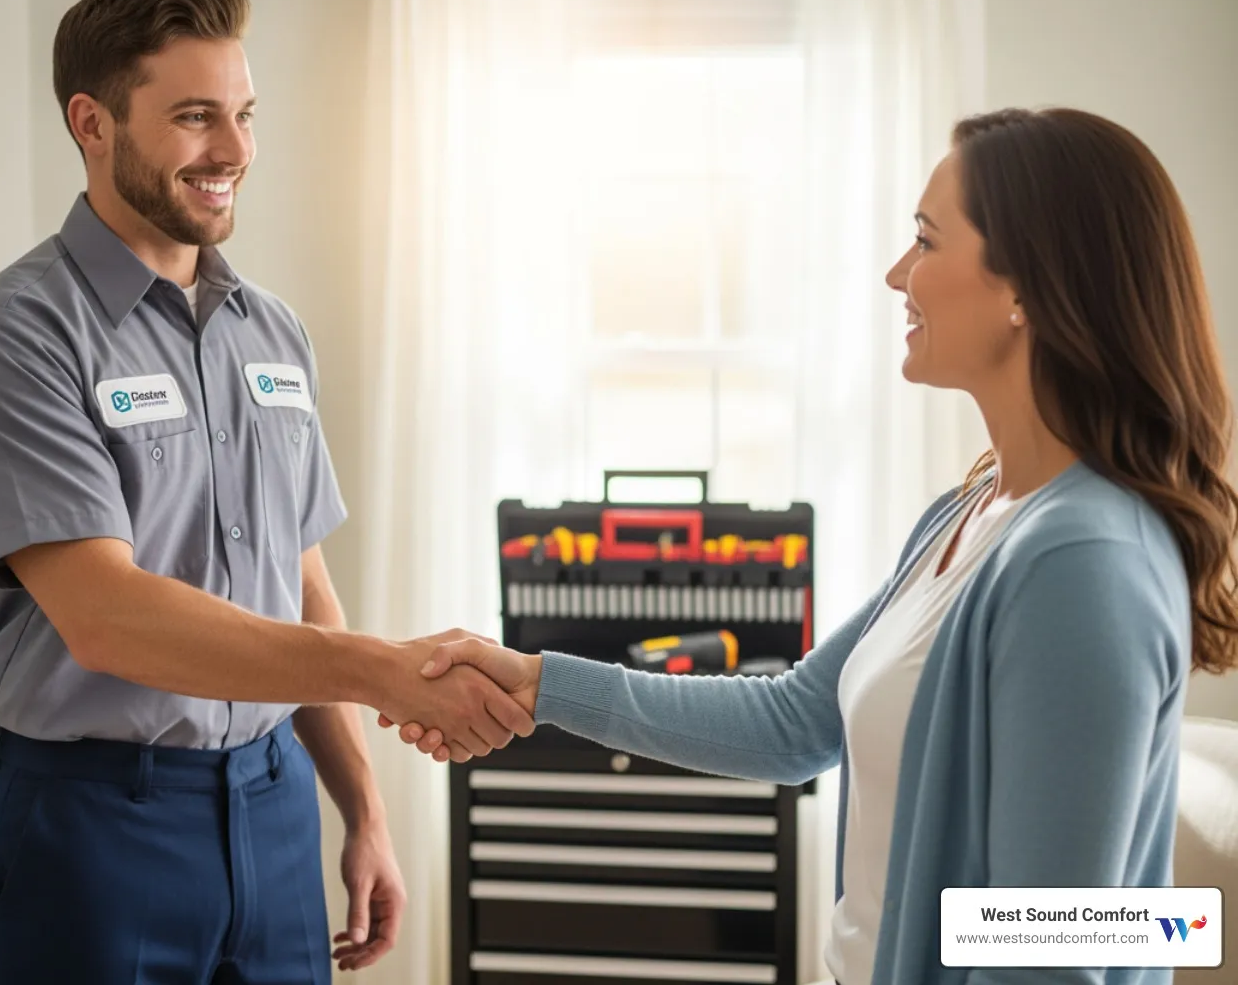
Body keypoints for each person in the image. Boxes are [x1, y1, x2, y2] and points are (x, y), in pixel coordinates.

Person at [386, 107, 1238, 983]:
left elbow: (1055, 952)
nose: (896, 273)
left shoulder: (1082, 563)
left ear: (1027, 288)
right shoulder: (972, 511)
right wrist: (539, 683)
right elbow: (793, 721)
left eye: (926, 241)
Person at [0, 0, 531, 984]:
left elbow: (300, 575)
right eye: (196, 117)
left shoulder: (272, 330)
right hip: (94, 825)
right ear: (93, 122)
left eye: (244, 114)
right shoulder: (12, 338)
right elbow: (107, 617)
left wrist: (362, 809)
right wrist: (384, 670)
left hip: (275, 803)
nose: (237, 151)